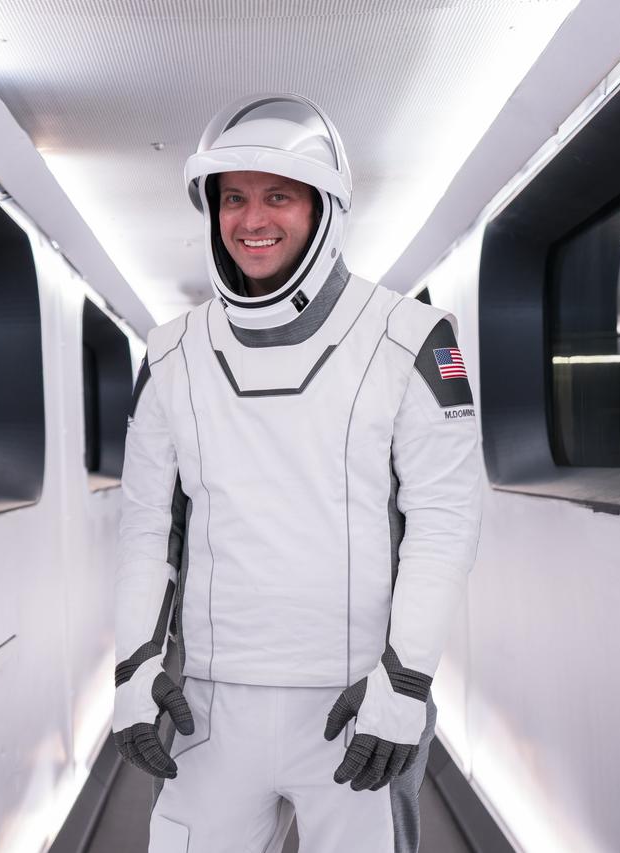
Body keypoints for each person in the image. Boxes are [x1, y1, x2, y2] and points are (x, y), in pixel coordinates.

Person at [112, 93, 482, 853]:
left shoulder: (410, 338)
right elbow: (147, 527)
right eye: (234, 198)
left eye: (278, 196)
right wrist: (134, 665)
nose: (252, 220)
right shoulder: (170, 353)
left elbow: (445, 522)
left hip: (359, 704)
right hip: (205, 705)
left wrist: (407, 681)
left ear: (325, 208)